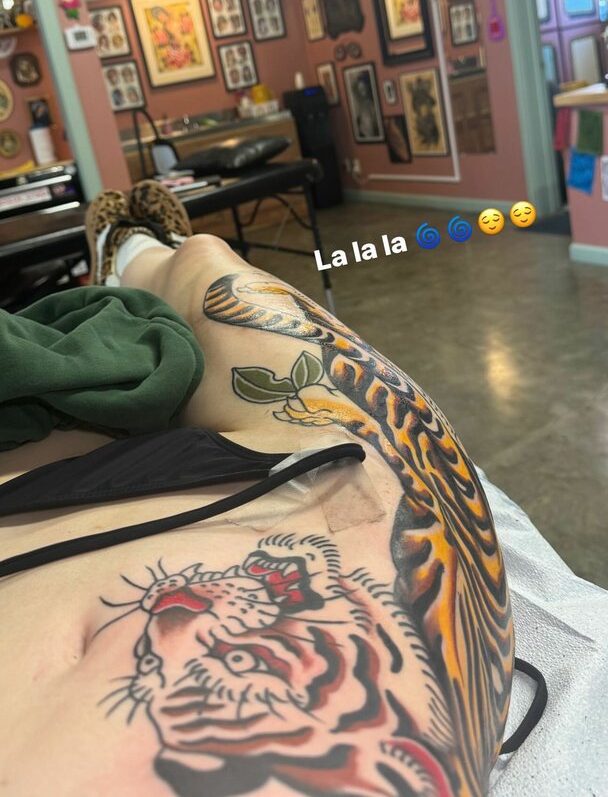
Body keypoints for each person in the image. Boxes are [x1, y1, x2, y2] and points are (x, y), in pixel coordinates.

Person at [0, 182, 515, 797]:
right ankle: (143, 250)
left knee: (212, 284)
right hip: (264, 481)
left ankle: (129, 251)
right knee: (210, 266)